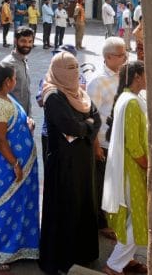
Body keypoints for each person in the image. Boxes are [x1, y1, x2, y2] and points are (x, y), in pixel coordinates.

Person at [39, 51, 102, 274]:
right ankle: (60, 259)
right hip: (63, 164)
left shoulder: (80, 93)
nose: (75, 72)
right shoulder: (53, 96)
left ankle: (82, 253)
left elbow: (97, 119)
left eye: (76, 66)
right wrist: (86, 126)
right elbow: (71, 126)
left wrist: (84, 127)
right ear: (57, 71)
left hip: (82, 160)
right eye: (69, 68)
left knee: (83, 203)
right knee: (64, 207)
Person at [0, 63, 40, 271]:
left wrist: (29, 122)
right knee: (5, 206)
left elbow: (16, 121)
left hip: (21, 164)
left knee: (22, 204)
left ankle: (20, 247)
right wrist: (15, 163)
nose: (16, 81)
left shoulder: (7, 98)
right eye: (14, 78)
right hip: (7, 166)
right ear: (8, 81)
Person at [102, 61, 148, 275]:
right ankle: (114, 265)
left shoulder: (130, 98)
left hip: (129, 168)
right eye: (146, 74)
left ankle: (125, 259)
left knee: (132, 217)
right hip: (131, 170)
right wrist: (147, 165)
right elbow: (134, 144)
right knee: (137, 218)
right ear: (138, 76)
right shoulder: (130, 102)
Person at [87, 37, 127, 241]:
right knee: (101, 184)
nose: (125, 57)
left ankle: (110, 216)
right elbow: (91, 118)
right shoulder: (97, 81)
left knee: (112, 182)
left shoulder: (123, 75)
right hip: (102, 142)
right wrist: (95, 146)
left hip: (117, 141)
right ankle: (101, 223)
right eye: (121, 55)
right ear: (109, 57)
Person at [1, 27, 33, 115]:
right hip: (11, 119)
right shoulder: (8, 64)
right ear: (15, 41)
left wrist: (29, 116)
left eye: (30, 41)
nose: (27, 45)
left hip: (24, 117)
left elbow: (26, 93)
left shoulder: (24, 60)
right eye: (23, 41)